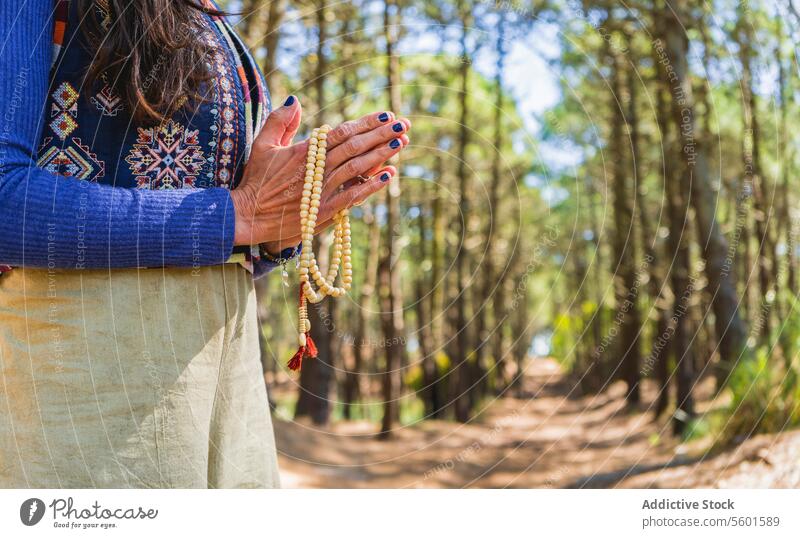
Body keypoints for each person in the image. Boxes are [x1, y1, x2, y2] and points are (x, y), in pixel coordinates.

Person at [0, 0, 410, 488]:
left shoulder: (207, 12)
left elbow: (222, 237)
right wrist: (237, 215)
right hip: (88, 384)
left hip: (228, 381)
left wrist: (273, 231)